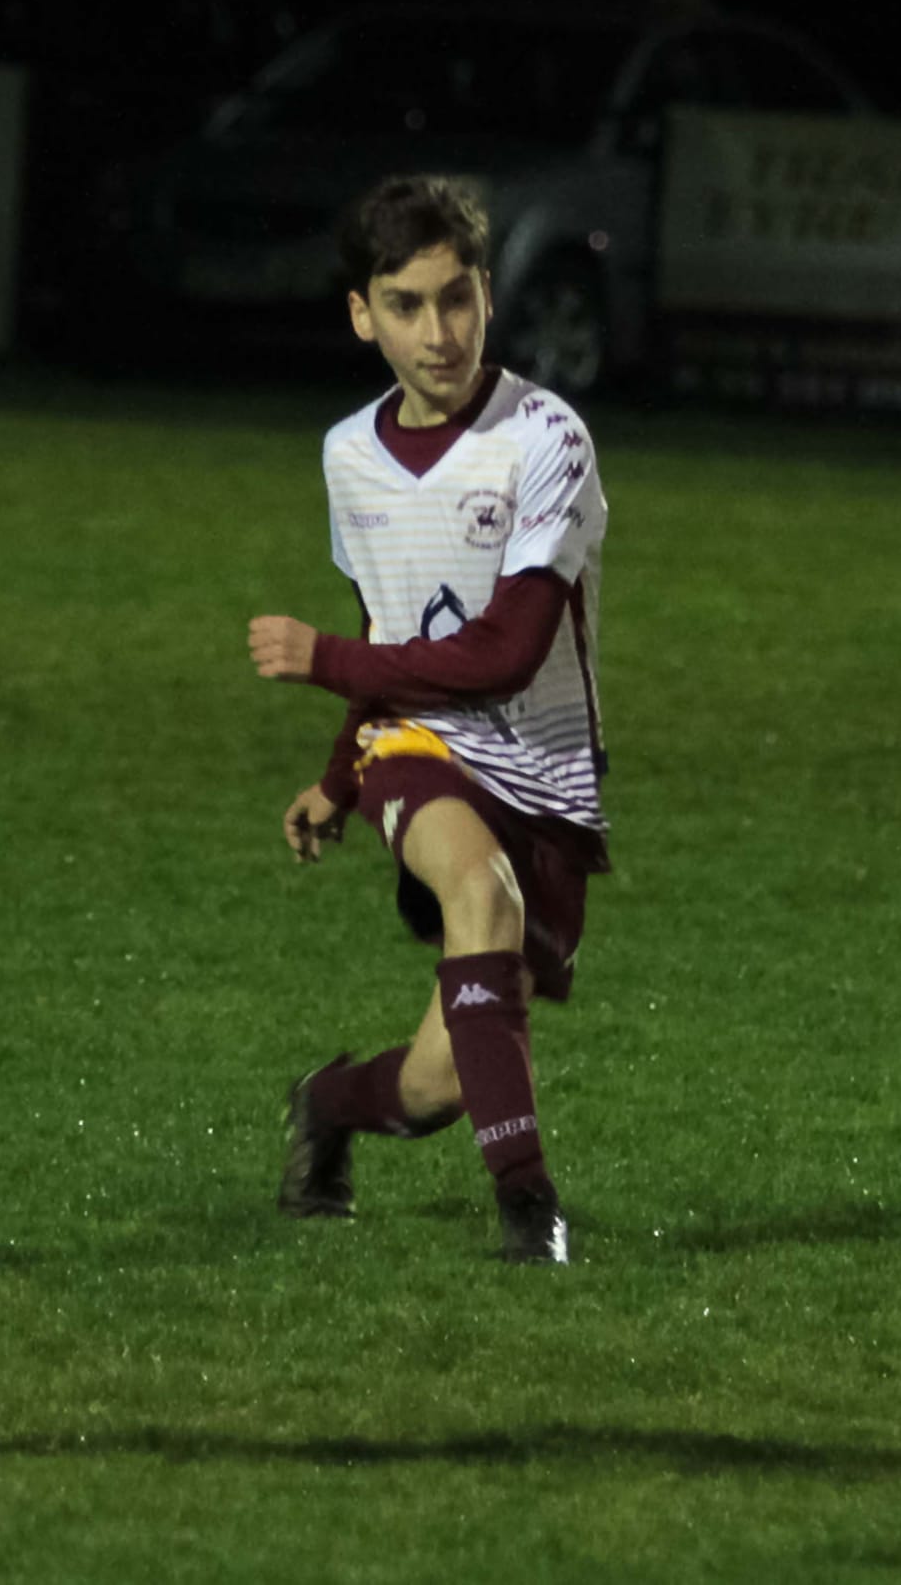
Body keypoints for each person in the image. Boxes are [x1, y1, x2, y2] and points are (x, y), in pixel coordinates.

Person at [248, 175, 609, 1265]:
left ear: (489, 297)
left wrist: (325, 662)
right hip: (421, 748)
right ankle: (528, 1204)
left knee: (440, 1079)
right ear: (363, 313)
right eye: (405, 304)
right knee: (475, 888)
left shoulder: (546, 439)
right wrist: (343, 772)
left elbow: (505, 651)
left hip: (540, 766)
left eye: (456, 298)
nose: (437, 331)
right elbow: (394, 628)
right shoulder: (347, 455)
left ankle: (329, 1103)